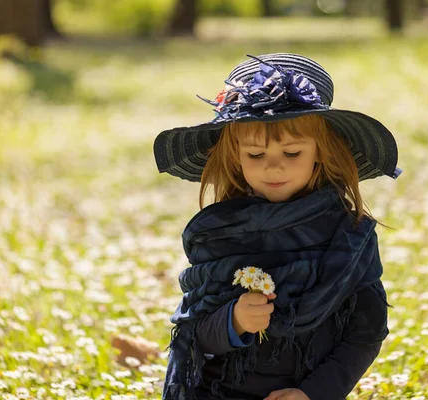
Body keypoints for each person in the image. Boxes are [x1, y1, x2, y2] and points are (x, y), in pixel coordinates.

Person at [153, 53, 402, 400]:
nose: (273, 168)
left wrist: (313, 393)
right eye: (256, 155)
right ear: (235, 156)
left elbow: (366, 332)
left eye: (292, 153)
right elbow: (193, 336)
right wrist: (233, 321)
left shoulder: (348, 236)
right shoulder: (220, 231)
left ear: (320, 150)